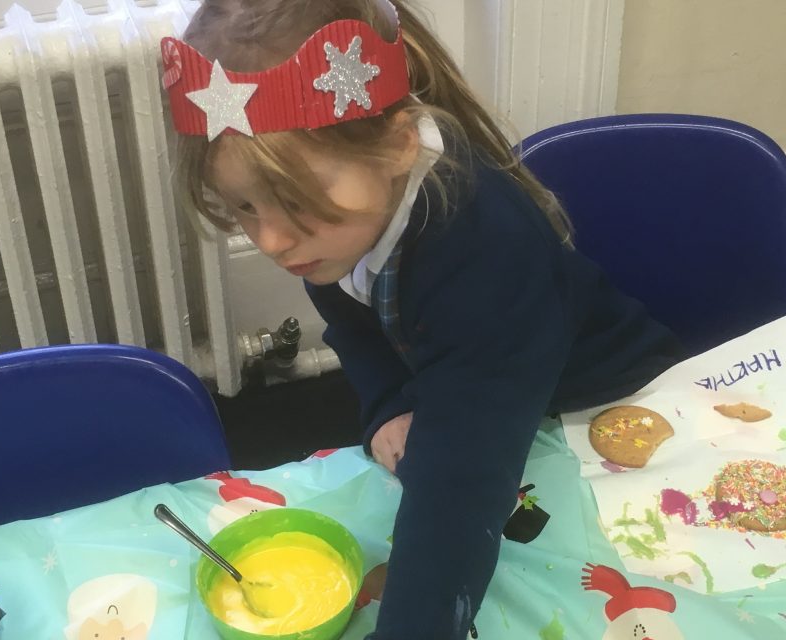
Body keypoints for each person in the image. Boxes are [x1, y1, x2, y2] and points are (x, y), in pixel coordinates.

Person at [162, 0, 687, 636]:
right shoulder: (338, 228)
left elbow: (458, 492)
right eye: (244, 206)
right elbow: (353, 316)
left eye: (294, 202)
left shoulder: (484, 249)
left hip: (600, 404)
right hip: (480, 398)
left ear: (399, 145)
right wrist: (388, 400)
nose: (271, 240)